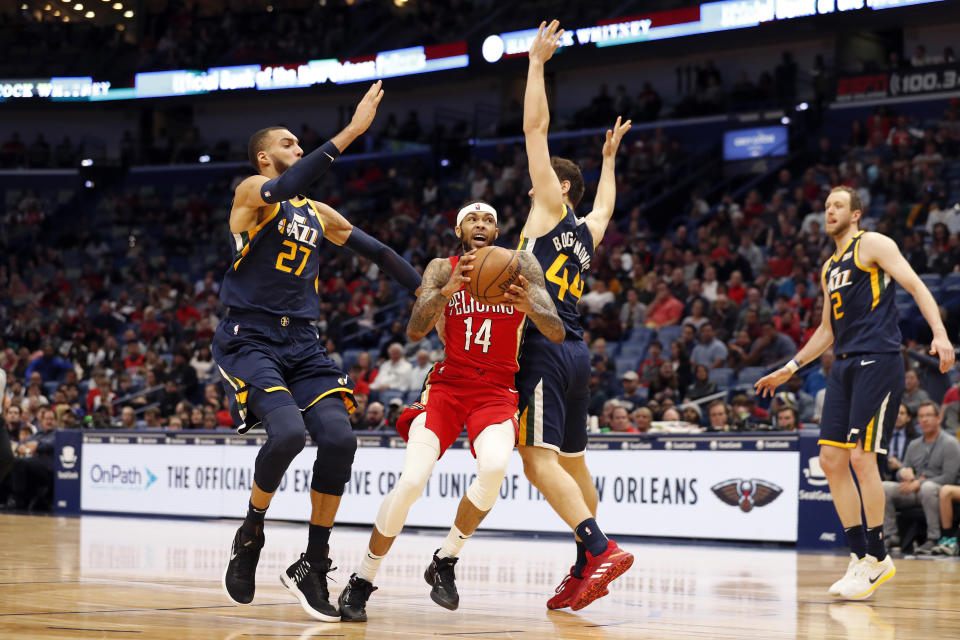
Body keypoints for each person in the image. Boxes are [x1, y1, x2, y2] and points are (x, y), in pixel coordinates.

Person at [214, 81, 423, 622]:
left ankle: (313, 561)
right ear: (266, 156)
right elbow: (289, 184)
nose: (298, 147)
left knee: (339, 439)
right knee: (286, 433)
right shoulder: (251, 194)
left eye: (299, 143)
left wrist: (425, 290)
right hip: (250, 337)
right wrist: (353, 131)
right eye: (288, 143)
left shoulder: (320, 213)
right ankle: (251, 531)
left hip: (302, 342)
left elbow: (375, 250)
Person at [337, 201, 563, 621]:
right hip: (449, 385)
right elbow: (415, 329)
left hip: (496, 389)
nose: (482, 224)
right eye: (473, 220)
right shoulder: (442, 268)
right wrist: (444, 293)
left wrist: (530, 304)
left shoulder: (522, 265)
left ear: (496, 234)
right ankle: (362, 578)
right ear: (460, 231)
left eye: (490, 220)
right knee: (410, 482)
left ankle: (445, 560)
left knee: (495, 467)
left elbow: (556, 328)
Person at [756, 185, 955, 600]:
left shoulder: (874, 244)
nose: (830, 211)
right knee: (831, 460)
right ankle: (860, 555)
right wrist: (789, 369)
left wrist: (940, 334)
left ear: (857, 213)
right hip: (843, 364)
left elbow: (917, 286)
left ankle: (880, 556)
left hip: (878, 360)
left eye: (838, 205)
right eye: (826, 206)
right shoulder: (830, 266)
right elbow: (826, 330)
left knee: (863, 457)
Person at [512, 20, 634, 612]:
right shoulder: (585, 232)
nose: (531, 184)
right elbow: (607, 204)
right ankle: (589, 555)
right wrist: (610, 160)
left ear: (559, 187)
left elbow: (535, 126)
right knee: (573, 459)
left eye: (542, 179)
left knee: (535, 462)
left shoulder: (547, 210)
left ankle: (597, 543)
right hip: (577, 350)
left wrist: (536, 64)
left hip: (540, 342)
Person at [881, 402, 960, 555]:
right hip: (914, 490)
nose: (924, 420)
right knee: (884, 487)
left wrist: (920, 483)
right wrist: (903, 472)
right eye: (921, 416)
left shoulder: (950, 444)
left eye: (929, 416)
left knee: (928, 488)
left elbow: (950, 478)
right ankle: (891, 535)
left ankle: (934, 538)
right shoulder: (914, 444)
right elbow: (903, 468)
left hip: (935, 491)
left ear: (938, 418)